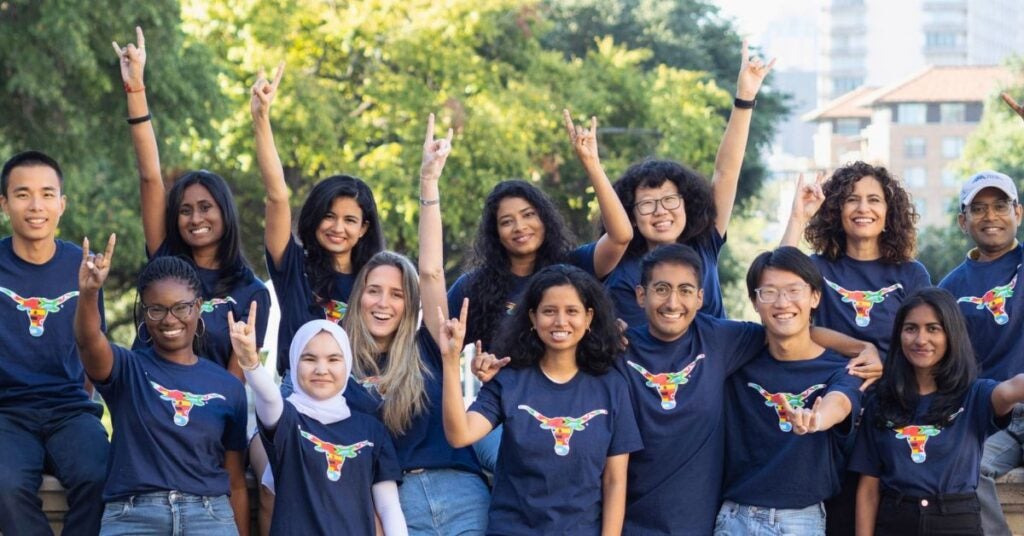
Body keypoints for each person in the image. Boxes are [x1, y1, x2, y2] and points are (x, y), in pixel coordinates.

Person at [250, 62, 386, 532]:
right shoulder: (295, 269)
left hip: (359, 406)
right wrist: (262, 119)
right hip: (293, 397)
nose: (338, 227)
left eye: (351, 219)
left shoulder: (378, 283)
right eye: (329, 215)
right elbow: (276, 197)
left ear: (365, 227)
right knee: (270, 487)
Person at [781, 162, 930, 534]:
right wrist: (797, 217)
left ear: (889, 211)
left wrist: (887, 363)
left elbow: (929, 344)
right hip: (828, 411)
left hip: (894, 409)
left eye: (874, 200)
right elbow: (784, 304)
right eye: (851, 199)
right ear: (836, 210)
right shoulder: (817, 268)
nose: (863, 208)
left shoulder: (912, 274)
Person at [114, 27, 270, 380]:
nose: (195, 218)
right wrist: (135, 87)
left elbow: (235, 383)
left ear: (225, 214)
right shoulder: (165, 256)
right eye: (185, 210)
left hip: (205, 421)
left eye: (205, 207)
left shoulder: (251, 292)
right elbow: (150, 176)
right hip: (145, 399)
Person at [441, 265, 644, 535]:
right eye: (549, 311)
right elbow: (460, 435)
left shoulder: (612, 387)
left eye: (572, 311)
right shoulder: (509, 380)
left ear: (589, 317)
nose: (560, 321)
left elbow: (615, 481)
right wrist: (450, 360)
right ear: (533, 318)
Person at [75, 246, 249, 535]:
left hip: (208, 516)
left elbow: (236, 483)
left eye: (181, 307)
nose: (169, 319)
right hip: (134, 517)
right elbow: (88, 341)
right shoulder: (126, 369)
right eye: (157, 309)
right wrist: (90, 293)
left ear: (199, 306)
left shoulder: (228, 387)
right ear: (145, 313)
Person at [602, 41, 774, 325]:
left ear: (687, 204)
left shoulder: (704, 243)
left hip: (717, 367)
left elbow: (726, 173)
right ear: (630, 217)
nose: (661, 212)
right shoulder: (621, 273)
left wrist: (745, 97)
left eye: (670, 200)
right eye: (646, 205)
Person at [448, 109, 632, 350]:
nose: (520, 227)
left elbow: (621, 236)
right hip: (504, 388)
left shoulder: (574, 267)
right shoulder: (473, 286)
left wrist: (591, 164)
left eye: (528, 215)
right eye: (506, 221)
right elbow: (437, 339)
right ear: (495, 234)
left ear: (545, 219)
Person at [851, 288, 1024, 536]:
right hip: (894, 521)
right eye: (911, 328)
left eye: (933, 328)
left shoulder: (976, 395)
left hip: (957, 521)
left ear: (951, 334)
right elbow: (868, 488)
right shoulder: (881, 401)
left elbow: (1014, 387)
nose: (921, 339)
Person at [715, 247, 863, 535]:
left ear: (815, 297)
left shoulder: (840, 369)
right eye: (769, 292)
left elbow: (841, 402)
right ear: (755, 302)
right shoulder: (736, 362)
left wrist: (816, 419)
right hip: (733, 517)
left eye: (794, 290)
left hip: (800, 522)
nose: (782, 302)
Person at [0, 151, 109, 535]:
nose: (36, 206)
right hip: (6, 414)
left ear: (61, 204)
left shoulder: (80, 267)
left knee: (101, 475)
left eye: (47, 194)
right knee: (6, 487)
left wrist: (92, 293)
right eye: (22, 194)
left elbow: (95, 349)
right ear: (4, 203)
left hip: (69, 409)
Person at [230, 308, 406, 535]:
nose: (321, 369)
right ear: (294, 362)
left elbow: (389, 507)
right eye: (309, 358)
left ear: (347, 363)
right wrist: (251, 364)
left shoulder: (372, 430)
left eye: (334, 359)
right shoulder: (289, 422)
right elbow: (269, 398)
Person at [937, 169, 1024, 536]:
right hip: (992, 417)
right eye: (979, 208)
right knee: (968, 468)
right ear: (963, 221)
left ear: (1018, 213)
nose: (991, 216)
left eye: (1001, 205)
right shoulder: (949, 288)